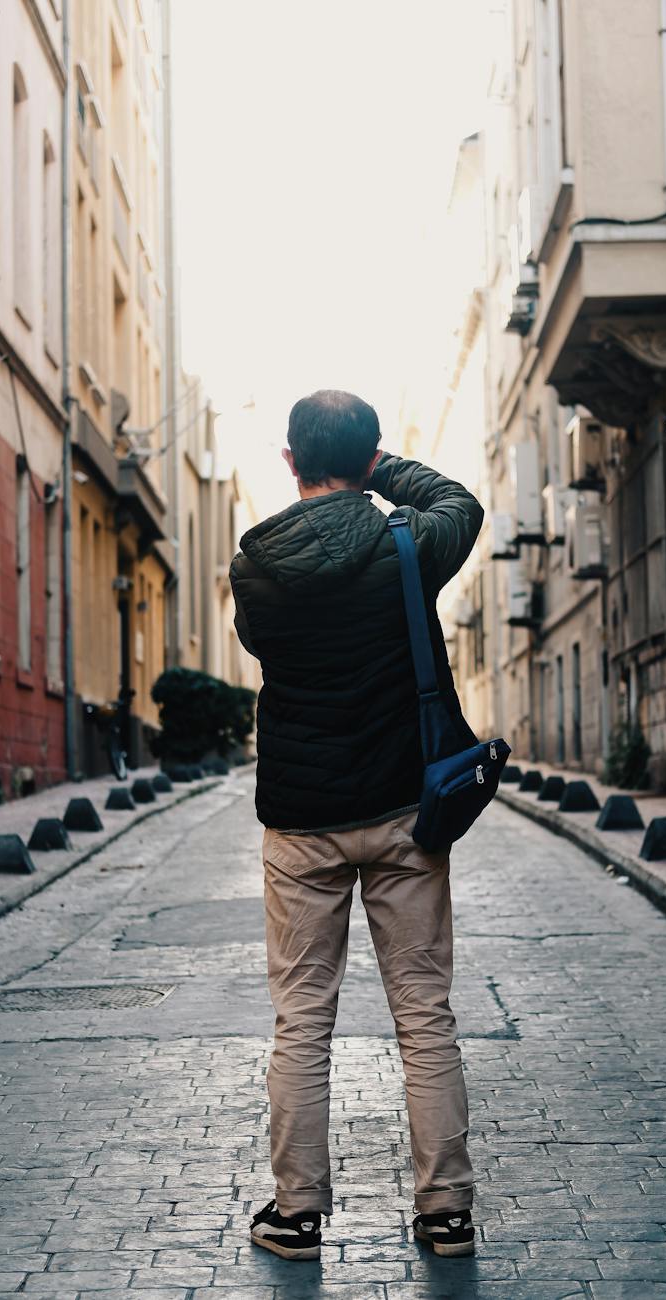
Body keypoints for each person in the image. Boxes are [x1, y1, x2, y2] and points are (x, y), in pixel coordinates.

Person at [230, 388, 484, 1261]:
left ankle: (295, 1214)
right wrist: (384, 472)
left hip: (300, 822)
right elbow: (461, 502)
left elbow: (260, 643)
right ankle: (445, 1212)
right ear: (370, 458)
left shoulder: (254, 566)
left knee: (302, 1017)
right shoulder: (409, 548)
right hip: (406, 810)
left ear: (291, 461)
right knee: (424, 1015)